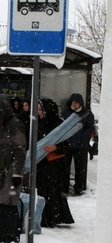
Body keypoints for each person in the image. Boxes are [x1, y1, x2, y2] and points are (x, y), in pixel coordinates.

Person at [0, 94, 26, 243]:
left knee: (7, 204)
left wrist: (16, 172)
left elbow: (20, 150)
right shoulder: (0, 125)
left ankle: (8, 240)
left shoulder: (15, 125)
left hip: (9, 172)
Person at [36, 98, 74, 227]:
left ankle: (53, 217)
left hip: (54, 164)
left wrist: (55, 148)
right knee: (43, 190)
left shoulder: (57, 124)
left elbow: (66, 144)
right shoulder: (38, 123)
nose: (39, 112)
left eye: (41, 110)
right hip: (41, 162)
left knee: (53, 191)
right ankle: (45, 217)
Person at [61, 93, 95, 196]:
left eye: (76, 103)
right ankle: (64, 187)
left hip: (81, 145)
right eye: (73, 102)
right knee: (64, 167)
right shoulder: (67, 112)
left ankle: (79, 187)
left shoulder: (87, 114)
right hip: (67, 144)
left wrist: (83, 139)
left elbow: (90, 128)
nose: (74, 104)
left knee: (80, 168)